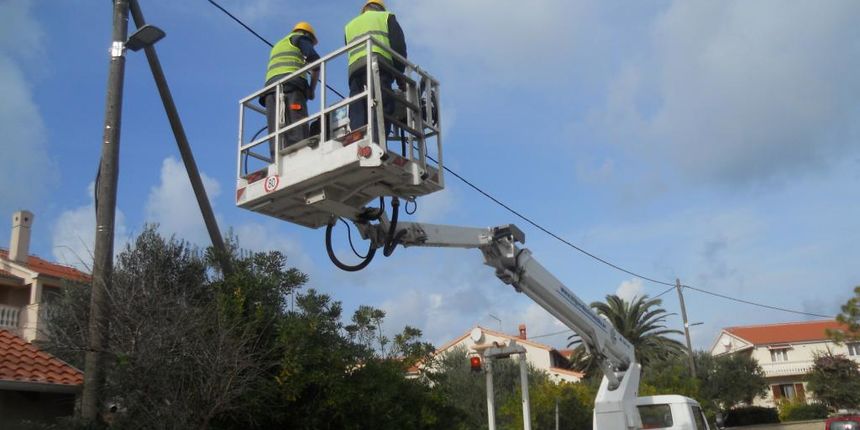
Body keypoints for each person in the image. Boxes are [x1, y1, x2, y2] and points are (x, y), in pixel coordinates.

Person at [344, 0, 407, 137]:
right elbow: (398, 47)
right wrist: (400, 77)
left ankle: (357, 134)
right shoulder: (386, 17)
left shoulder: (350, 25)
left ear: (365, 10)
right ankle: (378, 137)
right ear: (381, 9)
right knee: (382, 100)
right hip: (377, 64)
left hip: (354, 68)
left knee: (358, 102)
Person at [261, 22, 320, 158]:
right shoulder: (299, 39)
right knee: (297, 126)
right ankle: (300, 157)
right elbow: (316, 61)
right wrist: (312, 89)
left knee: (276, 130)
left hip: (270, 91)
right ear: (307, 35)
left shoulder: (279, 44)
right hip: (291, 87)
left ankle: (276, 160)